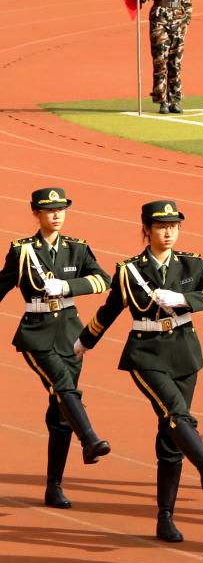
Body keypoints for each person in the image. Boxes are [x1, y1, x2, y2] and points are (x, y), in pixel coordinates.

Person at [80, 200, 203, 541]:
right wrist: (84, 342)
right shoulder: (130, 270)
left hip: (185, 354)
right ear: (146, 229)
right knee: (176, 412)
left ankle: (165, 516)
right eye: (161, 226)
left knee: (171, 433)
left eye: (174, 226)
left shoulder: (192, 263)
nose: (168, 232)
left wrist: (185, 300)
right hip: (146, 353)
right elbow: (109, 310)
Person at [1, 187, 111, 509]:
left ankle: (54, 487)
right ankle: (89, 438)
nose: (57, 215)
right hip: (36, 333)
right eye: (50, 210)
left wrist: (67, 286)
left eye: (61, 209)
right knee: (63, 385)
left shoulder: (77, 248)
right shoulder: (22, 251)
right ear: (36, 213)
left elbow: (103, 280)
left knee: (61, 410)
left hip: (70, 335)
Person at [145, 0, 192, 114]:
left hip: (178, 20)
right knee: (160, 61)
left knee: (175, 62)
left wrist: (187, 21)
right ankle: (162, 100)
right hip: (160, 20)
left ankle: (175, 100)